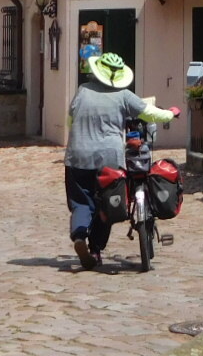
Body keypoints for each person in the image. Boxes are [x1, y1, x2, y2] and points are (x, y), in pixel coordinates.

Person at [64, 52, 179, 270]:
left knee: (81, 201)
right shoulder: (123, 95)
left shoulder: (82, 91)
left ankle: (79, 235)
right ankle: (95, 250)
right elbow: (151, 113)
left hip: (78, 155)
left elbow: (70, 121)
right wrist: (171, 114)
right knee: (106, 204)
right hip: (110, 159)